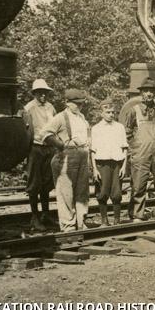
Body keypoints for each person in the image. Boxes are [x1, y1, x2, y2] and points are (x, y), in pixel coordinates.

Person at [39, 88, 91, 232]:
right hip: (66, 156)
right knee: (66, 192)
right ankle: (68, 225)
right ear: (68, 103)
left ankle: (81, 222)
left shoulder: (81, 117)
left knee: (82, 192)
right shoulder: (61, 117)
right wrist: (61, 145)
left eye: (81, 104)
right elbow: (45, 134)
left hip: (82, 154)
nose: (80, 106)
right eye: (77, 104)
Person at [123, 78, 155, 221]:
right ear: (141, 93)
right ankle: (137, 214)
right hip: (141, 152)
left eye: (151, 91)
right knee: (139, 184)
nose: (149, 94)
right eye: (146, 91)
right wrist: (135, 148)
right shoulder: (134, 111)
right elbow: (127, 133)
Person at [22, 79, 56, 231]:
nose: (43, 95)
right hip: (35, 147)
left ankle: (46, 214)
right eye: (40, 92)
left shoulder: (50, 107)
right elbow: (25, 130)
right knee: (35, 183)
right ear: (35, 93)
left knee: (47, 182)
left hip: (49, 147)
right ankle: (34, 217)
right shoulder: (29, 108)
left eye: (45, 92)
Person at [90, 102, 128, 226]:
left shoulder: (119, 127)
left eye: (113, 112)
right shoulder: (96, 129)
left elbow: (125, 148)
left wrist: (123, 166)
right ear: (102, 113)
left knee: (116, 193)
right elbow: (93, 151)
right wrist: (95, 169)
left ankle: (117, 220)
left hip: (117, 163)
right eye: (108, 112)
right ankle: (104, 221)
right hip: (102, 163)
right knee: (102, 192)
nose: (111, 115)